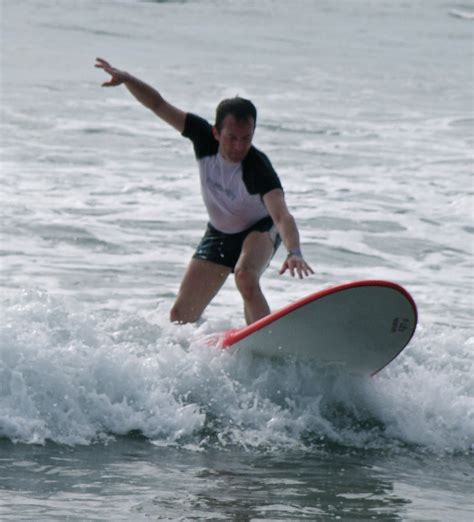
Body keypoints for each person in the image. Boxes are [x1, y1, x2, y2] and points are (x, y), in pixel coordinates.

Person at [95, 58, 313, 325]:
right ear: (216, 132)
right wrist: (128, 79)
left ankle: (266, 342)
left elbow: (282, 217)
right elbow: (158, 105)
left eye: (246, 138)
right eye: (232, 137)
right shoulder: (202, 137)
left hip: (260, 229)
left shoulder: (258, 168)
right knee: (180, 317)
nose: (238, 146)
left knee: (245, 277)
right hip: (220, 233)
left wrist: (295, 251)